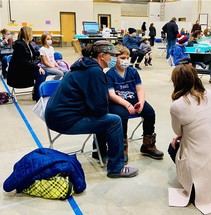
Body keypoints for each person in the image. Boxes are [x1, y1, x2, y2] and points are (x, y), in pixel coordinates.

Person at [44, 40, 138, 178]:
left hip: (56, 116)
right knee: (114, 120)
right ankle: (116, 168)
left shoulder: (83, 66)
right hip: (65, 120)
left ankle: (100, 152)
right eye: (111, 55)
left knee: (106, 117)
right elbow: (99, 109)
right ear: (101, 56)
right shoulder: (94, 71)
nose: (113, 58)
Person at [168, 64, 211, 214]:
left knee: (172, 146)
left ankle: (192, 185)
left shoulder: (177, 106)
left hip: (199, 175)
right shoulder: (210, 94)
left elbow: (177, 131)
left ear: (176, 82)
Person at [105, 44, 164, 164]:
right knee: (121, 116)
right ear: (115, 58)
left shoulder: (132, 72)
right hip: (118, 102)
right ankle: (122, 149)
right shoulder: (109, 74)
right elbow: (111, 95)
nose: (125, 60)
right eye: (122, 57)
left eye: (127, 58)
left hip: (134, 99)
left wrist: (141, 103)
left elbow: (140, 89)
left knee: (149, 113)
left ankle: (148, 146)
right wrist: (127, 105)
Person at [7, 26, 46, 101]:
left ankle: (36, 94)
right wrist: (37, 67)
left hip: (26, 69)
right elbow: (24, 61)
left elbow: (35, 54)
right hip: (19, 73)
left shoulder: (28, 43)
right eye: (31, 33)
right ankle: (37, 96)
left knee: (43, 72)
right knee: (41, 74)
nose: (33, 34)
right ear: (27, 34)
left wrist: (43, 51)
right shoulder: (19, 45)